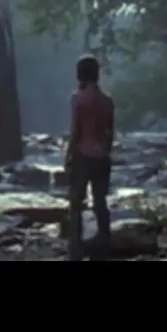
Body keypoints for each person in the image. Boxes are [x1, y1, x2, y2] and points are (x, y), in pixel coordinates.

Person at [65, 54, 115, 260]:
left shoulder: (78, 99)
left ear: (80, 75)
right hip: (102, 156)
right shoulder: (107, 101)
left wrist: (68, 155)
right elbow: (110, 132)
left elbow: (75, 131)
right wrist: (106, 151)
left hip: (82, 155)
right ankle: (104, 244)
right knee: (100, 202)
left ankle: (76, 249)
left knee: (76, 203)